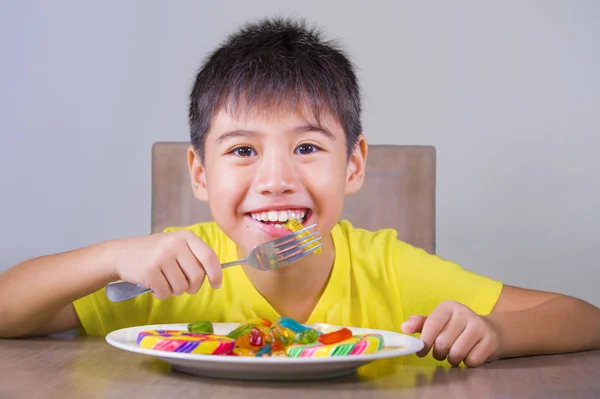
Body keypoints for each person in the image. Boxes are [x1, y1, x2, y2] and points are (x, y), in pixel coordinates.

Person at [1, 17, 598, 368]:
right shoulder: (169, 273)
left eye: (308, 148)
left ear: (354, 164)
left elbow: (582, 318)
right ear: (200, 173)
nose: (277, 178)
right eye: (242, 150)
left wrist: (495, 332)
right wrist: (112, 257)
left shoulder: (390, 269)